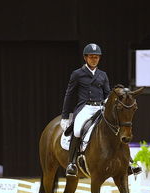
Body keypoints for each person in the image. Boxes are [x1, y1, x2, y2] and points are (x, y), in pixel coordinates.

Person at [60, 43, 141, 177]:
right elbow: (69, 95)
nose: (94, 59)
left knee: (117, 129)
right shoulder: (77, 74)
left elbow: (107, 93)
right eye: (91, 57)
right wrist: (64, 116)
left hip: (100, 107)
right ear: (85, 58)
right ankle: (72, 163)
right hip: (85, 107)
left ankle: (129, 162)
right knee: (78, 129)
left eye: (96, 57)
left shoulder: (102, 75)